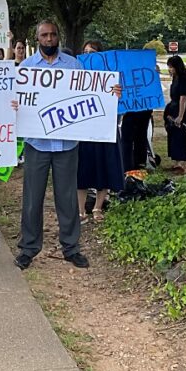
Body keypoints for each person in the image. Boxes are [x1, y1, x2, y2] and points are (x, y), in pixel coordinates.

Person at [14, 20, 120, 271]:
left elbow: (92, 95)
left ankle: (71, 248)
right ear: (37, 38)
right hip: (36, 144)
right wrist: (15, 105)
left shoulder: (74, 65)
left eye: (52, 35)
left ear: (58, 36)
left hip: (67, 145)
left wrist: (111, 93)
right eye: (44, 35)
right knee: (32, 199)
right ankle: (28, 248)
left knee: (68, 199)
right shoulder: (26, 68)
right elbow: (12, 100)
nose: (49, 39)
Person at [76, 40, 125, 223]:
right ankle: (80, 210)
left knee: (105, 167)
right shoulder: (76, 78)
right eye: (85, 51)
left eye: (93, 52)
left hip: (105, 130)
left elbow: (121, 107)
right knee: (82, 169)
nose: (89, 55)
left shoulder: (112, 78)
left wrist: (118, 95)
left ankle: (97, 207)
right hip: (84, 130)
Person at [164, 55, 186, 173]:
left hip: (182, 110)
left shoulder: (184, 79)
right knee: (174, 137)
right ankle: (177, 162)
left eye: (171, 67)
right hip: (173, 108)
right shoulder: (175, 78)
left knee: (185, 136)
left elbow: (183, 98)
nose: (169, 69)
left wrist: (181, 116)